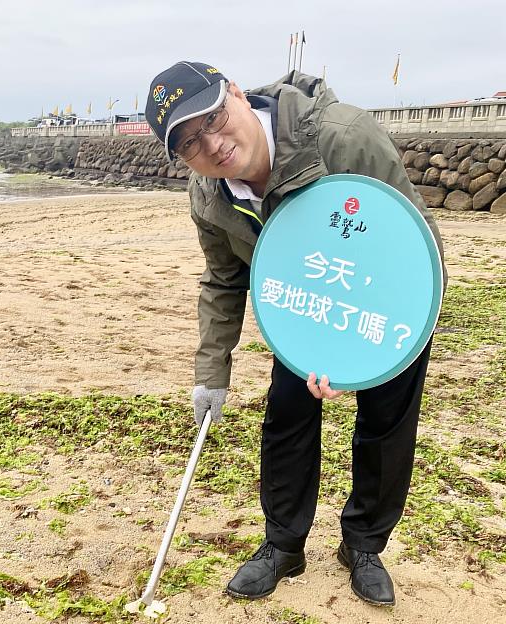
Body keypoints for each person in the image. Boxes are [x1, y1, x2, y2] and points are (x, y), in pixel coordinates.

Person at [144, 61, 446, 607]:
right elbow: (223, 280)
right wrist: (211, 375)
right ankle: (284, 546)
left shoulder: (345, 139)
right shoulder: (209, 195)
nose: (212, 144)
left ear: (235, 92)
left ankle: (364, 544)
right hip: (307, 305)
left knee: (387, 419)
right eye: (189, 143)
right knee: (287, 414)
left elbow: (415, 237)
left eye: (213, 118)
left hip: (386, 300)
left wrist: (365, 353)